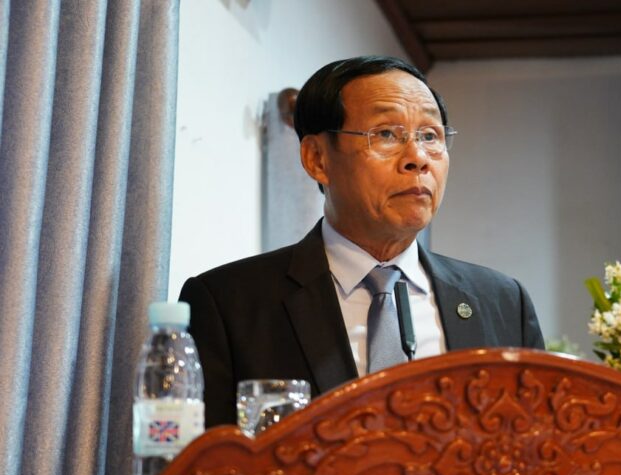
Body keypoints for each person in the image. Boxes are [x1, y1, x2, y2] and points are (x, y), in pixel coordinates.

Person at [179, 56, 544, 427]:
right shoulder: (227, 304)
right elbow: (204, 458)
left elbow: (537, 445)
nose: (418, 158)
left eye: (430, 136)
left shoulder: (502, 302)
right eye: (386, 134)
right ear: (317, 159)